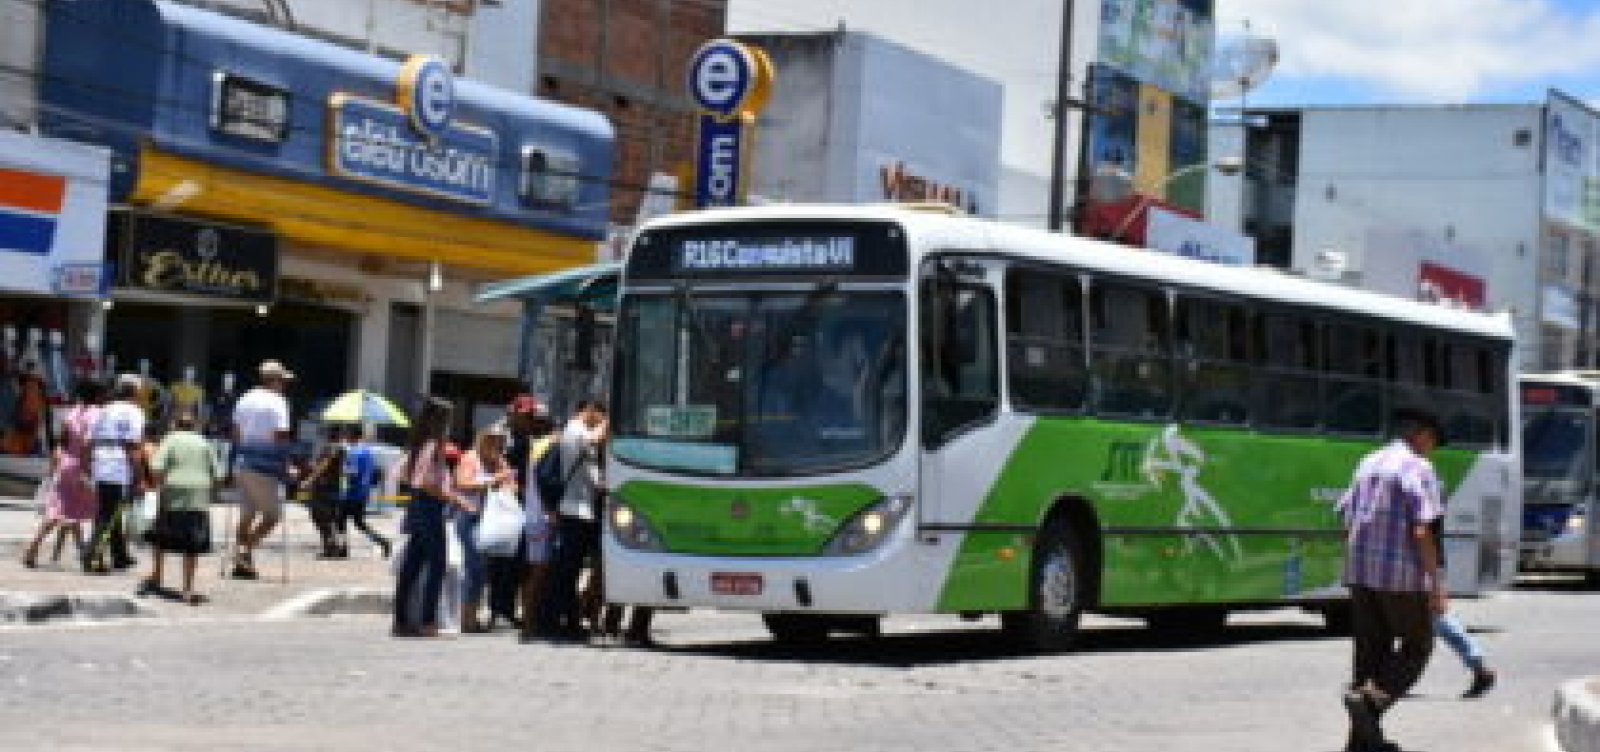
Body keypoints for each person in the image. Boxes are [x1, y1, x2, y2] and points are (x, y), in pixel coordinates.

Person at [1336, 409, 1448, 752]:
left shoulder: (1368, 462)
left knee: (1369, 656)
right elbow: (1421, 528)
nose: (1432, 450)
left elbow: (1346, 516)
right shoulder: (1417, 467)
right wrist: (1436, 585)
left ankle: (1359, 746)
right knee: (1418, 647)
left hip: (1361, 572)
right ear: (1421, 434)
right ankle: (1371, 703)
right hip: (1400, 577)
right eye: (1433, 442)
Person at [392, 397, 478, 638]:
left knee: (413, 565)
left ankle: (401, 620)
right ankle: (428, 621)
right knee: (437, 564)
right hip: (429, 506)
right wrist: (456, 499)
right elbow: (427, 483)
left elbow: (407, 478)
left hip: (418, 505)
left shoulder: (419, 444)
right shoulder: (434, 446)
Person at [534, 399, 607, 642]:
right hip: (572, 511)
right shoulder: (575, 429)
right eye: (599, 415)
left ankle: (566, 620)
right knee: (564, 571)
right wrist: (610, 422)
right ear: (589, 411)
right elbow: (594, 438)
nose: (600, 421)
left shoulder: (580, 432)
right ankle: (552, 621)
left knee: (570, 571)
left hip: (581, 511)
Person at [142, 411, 223, 605]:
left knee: (160, 536)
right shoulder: (204, 442)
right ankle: (187, 589)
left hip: (173, 493)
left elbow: (156, 467)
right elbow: (218, 474)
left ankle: (157, 575)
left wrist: (160, 488)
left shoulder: (170, 439)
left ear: (175, 424)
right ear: (194, 425)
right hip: (198, 496)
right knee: (192, 545)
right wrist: (210, 492)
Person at [21, 379, 103, 569]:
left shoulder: (73, 411)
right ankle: (86, 555)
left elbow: (62, 441)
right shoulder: (96, 414)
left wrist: (56, 464)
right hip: (82, 466)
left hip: (66, 463)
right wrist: (87, 469)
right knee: (85, 511)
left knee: (65, 509)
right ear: (97, 396)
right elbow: (88, 443)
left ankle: (77, 552)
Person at [230, 360, 296, 579]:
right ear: (274, 381)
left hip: (242, 462)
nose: (285, 385)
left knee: (247, 513)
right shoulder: (278, 401)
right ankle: (243, 551)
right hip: (265, 466)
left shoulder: (244, 399)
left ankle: (242, 561)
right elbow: (281, 435)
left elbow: (236, 433)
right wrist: (285, 465)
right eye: (283, 381)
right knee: (272, 515)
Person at [452, 425, 514, 633]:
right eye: (492, 439)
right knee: (474, 567)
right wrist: (493, 480)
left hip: (489, 520)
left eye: (500, 440)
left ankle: (471, 617)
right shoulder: (470, 457)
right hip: (468, 516)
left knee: (481, 570)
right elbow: (462, 482)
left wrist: (503, 480)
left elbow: (512, 484)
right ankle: (466, 619)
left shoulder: (499, 461)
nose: (496, 444)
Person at [83, 374, 147, 574]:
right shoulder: (135, 412)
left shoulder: (105, 409)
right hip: (117, 464)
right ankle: (92, 556)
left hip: (100, 461)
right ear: (134, 392)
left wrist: (88, 465)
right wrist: (139, 475)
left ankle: (120, 555)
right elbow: (133, 445)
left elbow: (89, 441)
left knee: (112, 509)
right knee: (107, 512)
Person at [339, 424, 390, 558]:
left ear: (351, 436)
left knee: (341, 519)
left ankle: (343, 548)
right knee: (358, 523)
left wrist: (343, 471)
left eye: (347, 434)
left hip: (352, 492)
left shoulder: (354, 452)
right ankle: (383, 542)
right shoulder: (367, 452)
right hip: (363, 492)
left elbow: (352, 472)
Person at [300, 425, 349, 559]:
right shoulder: (342, 449)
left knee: (320, 517)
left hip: (323, 488)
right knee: (328, 518)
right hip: (334, 488)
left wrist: (309, 480)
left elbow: (323, 465)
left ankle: (331, 546)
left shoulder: (331, 448)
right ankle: (332, 546)